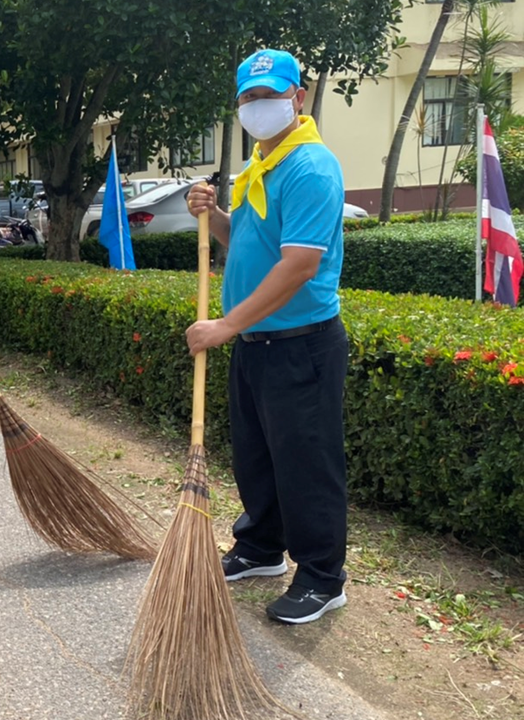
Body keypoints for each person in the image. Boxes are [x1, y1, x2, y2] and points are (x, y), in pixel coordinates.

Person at [185, 49, 348, 625]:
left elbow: (300, 264)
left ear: (297, 98)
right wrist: (216, 216)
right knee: (259, 458)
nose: (259, 107)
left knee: (306, 463)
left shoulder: (309, 166)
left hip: (300, 344)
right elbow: (249, 247)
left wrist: (226, 325)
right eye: (249, 99)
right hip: (257, 344)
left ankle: (323, 578)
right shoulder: (263, 163)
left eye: (270, 96)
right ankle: (259, 548)